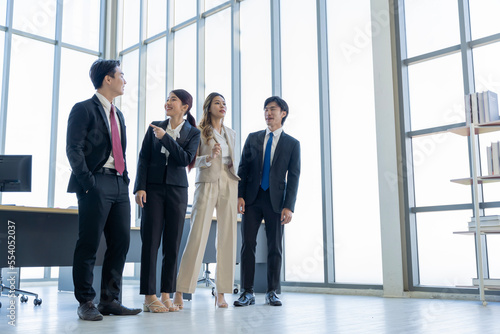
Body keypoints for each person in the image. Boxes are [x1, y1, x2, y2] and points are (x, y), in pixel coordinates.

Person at [66, 59, 141, 321]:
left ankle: (110, 300)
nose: (124, 80)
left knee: (121, 242)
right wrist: (89, 183)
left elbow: (120, 150)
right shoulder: (83, 109)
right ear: (107, 79)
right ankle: (86, 301)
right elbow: (73, 149)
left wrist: (126, 179)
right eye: (121, 75)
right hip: (95, 182)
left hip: (119, 183)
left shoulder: (118, 114)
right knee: (88, 244)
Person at [134, 89, 201, 313]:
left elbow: (184, 159)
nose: (168, 102)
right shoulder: (154, 126)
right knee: (150, 242)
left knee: (172, 244)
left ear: (185, 107)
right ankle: (149, 296)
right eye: (167, 99)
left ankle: (166, 294)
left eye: (173, 99)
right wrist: (139, 187)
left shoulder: (193, 132)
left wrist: (166, 138)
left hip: (177, 191)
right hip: (152, 190)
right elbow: (143, 157)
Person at [174, 93, 240, 309]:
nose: (222, 106)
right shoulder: (198, 132)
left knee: (227, 237)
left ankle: (221, 293)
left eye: (224, 103)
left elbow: (235, 162)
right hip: (207, 181)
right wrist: (209, 157)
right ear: (208, 107)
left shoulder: (231, 133)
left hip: (229, 182)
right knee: (197, 234)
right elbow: (191, 162)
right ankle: (180, 291)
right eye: (217, 102)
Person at [234, 96, 300, 307]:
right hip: (252, 199)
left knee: (274, 246)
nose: (268, 113)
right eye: (265, 109)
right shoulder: (253, 138)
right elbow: (242, 168)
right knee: (248, 245)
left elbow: (294, 176)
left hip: (276, 202)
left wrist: (289, 206)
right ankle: (247, 291)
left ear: (283, 113)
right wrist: (240, 195)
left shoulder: (292, 144)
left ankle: (272, 291)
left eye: (272, 109)